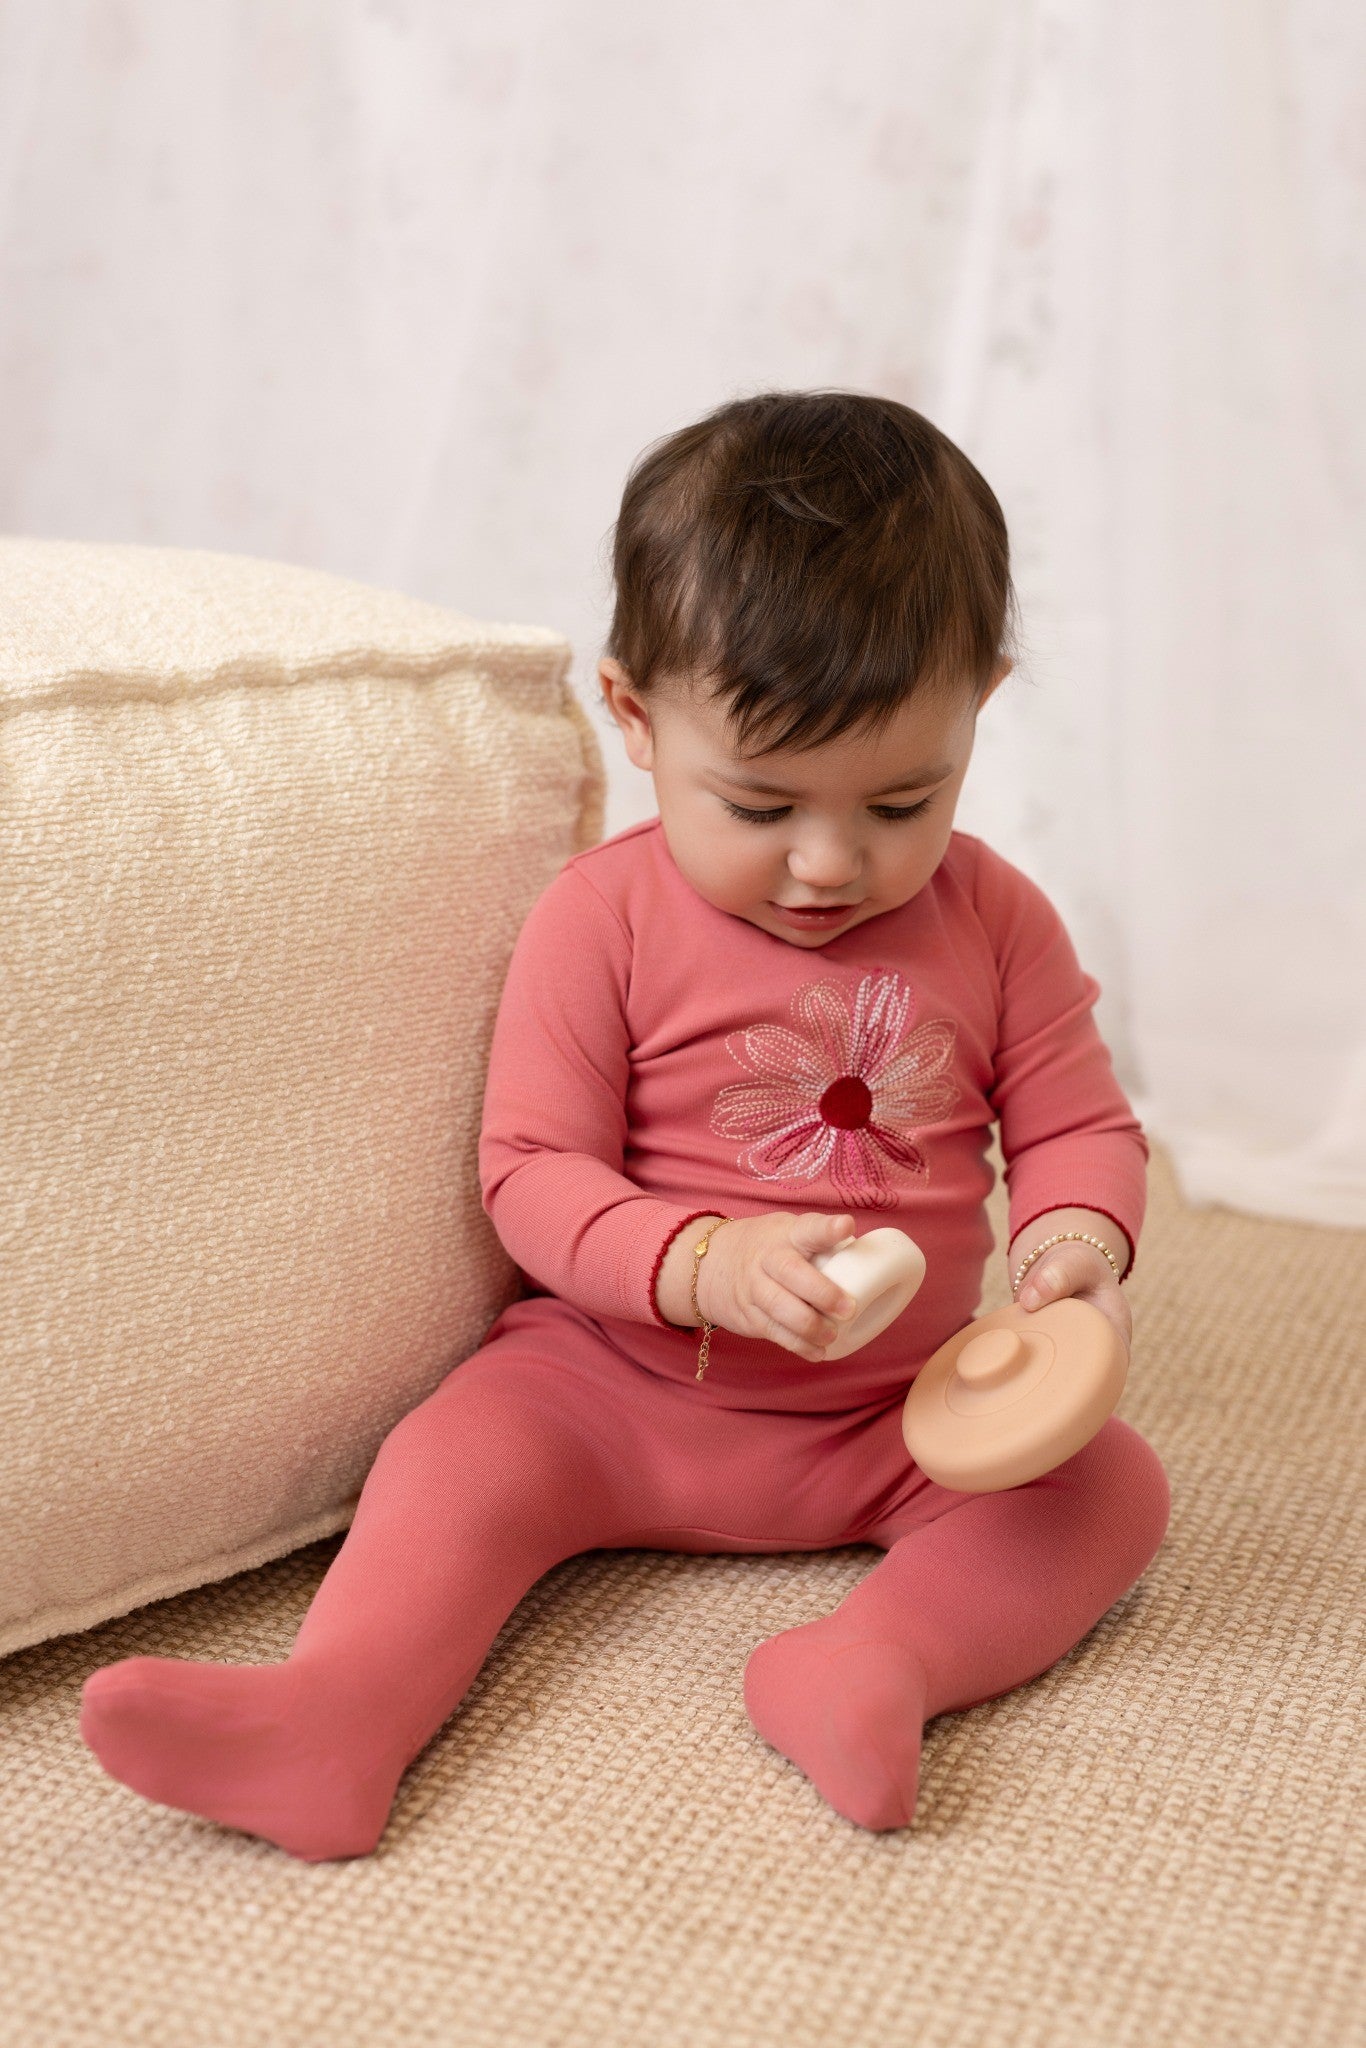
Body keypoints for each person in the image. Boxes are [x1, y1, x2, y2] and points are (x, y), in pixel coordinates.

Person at [79, 389, 1171, 1860]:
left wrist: (1072, 1238)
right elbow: (528, 1176)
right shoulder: (598, 918)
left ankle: (871, 1664)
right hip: (612, 1394)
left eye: (903, 801)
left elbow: (1076, 1126)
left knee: (1104, 1490)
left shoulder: (995, 921)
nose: (830, 862)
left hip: (900, 1417)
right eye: (762, 803)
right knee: (452, 1459)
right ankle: (336, 1715)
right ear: (636, 717)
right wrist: (703, 1262)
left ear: (981, 697)